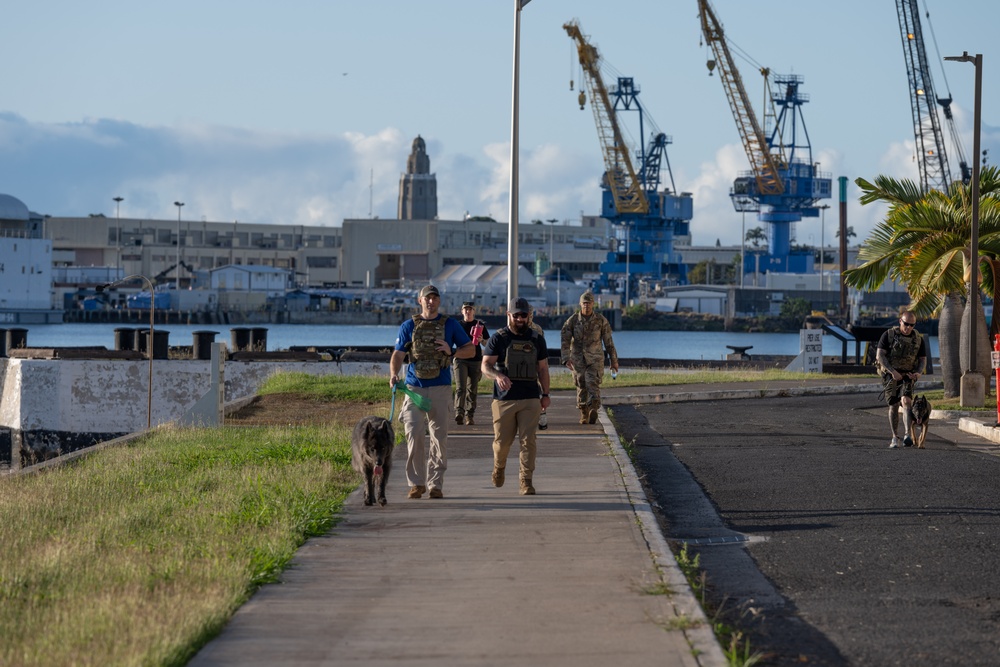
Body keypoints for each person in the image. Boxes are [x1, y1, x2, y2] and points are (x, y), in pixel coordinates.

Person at [389, 284, 475, 499]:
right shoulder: (408, 325)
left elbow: (471, 349)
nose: (431, 301)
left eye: (435, 298)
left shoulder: (451, 325)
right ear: (420, 301)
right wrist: (393, 374)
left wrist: (452, 351)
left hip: (440, 388)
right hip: (414, 389)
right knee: (414, 435)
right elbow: (398, 355)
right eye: (427, 298)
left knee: (439, 437)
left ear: (439, 301)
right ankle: (416, 484)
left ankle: (436, 484)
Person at [481, 297, 551, 495]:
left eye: (524, 315)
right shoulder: (499, 338)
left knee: (528, 441)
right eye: (517, 315)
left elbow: (543, 369)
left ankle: (526, 481)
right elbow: (485, 365)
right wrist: (498, 375)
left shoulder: (537, 339)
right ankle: (499, 467)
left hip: (530, 398)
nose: (521, 319)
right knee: (502, 443)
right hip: (504, 399)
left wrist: (545, 394)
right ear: (509, 315)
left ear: (529, 316)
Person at [560, 291, 619, 424]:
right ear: (580, 304)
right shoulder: (573, 321)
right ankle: (584, 412)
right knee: (581, 384)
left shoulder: (601, 320)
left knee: (593, 384)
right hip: (578, 359)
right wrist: (566, 358)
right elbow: (565, 340)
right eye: (584, 303)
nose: (586, 306)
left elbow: (609, 342)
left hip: (595, 359)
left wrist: (614, 361)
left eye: (589, 303)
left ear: (593, 304)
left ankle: (593, 408)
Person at [875, 310, 927, 448]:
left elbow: (922, 359)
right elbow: (880, 355)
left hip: (908, 375)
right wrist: (892, 371)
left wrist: (918, 373)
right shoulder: (889, 335)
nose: (909, 327)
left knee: (906, 401)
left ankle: (907, 435)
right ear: (900, 321)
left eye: (912, 325)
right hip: (890, 376)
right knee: (893, 405)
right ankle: (894, 437)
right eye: (906, 324)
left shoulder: (918, 339)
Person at [453, 301, 489, 426]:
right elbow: (449, 341)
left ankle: (470, 415)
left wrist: (481, 340)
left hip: (476, 360)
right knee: (460, 388)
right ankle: (459, 412)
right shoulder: (457, 326)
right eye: (465, 309)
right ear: (462, 311)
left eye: (470, 309)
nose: (468, 312)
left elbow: (488, 344)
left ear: (474, 311)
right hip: (460, 360)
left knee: (472, 389)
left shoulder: (480, 325)